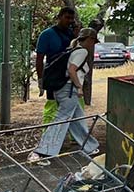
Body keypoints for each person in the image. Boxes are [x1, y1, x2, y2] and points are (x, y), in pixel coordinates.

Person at [29, 28, 100, 165]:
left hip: (61, 89)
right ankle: (43, 152)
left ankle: (90, 146)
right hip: (69, 90)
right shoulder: (82, 51)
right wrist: (79, 87)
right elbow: (72, 70)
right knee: (61, 120)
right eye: (93, 41)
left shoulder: (72, 50)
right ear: (89, 40)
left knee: (77, 119)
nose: (94, 44)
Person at [35, 7, 78, 123]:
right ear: (59, 17)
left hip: (70, 76)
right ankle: (47, 135)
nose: (69, 21)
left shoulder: (72, 35)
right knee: (52, 107)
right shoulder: (47, 34)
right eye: (67, 18)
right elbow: (39, 59)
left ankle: (73, 138)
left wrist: (76, 35)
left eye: (71, 19)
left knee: (75, 108)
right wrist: (40, 79)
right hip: (53, 76)